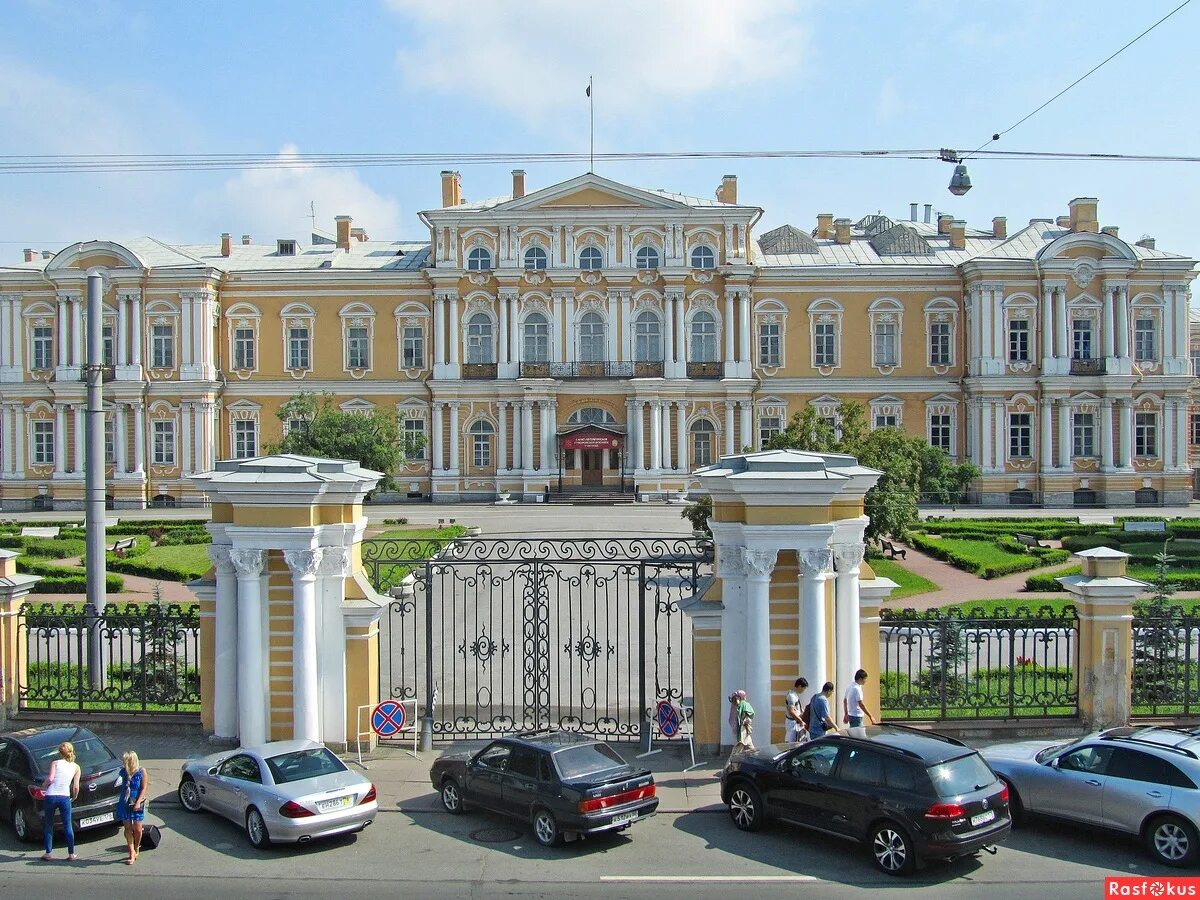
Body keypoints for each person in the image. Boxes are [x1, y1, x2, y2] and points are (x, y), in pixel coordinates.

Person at [40, 740, 80, 862]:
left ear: (60, 752)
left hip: (51, 795)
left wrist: (43, 786)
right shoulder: (76, 767)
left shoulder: (55, 763)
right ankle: (71, 854)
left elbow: (51, 778)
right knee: (67, 825)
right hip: (64, 796)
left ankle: (48, 853)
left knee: (48, 824)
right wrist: (74, 796)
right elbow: (76, 786)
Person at [117, 750, 149, 865]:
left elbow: (144, 788)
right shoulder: (123, 772)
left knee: (138, 829)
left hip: (137, 801)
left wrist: (138, 802)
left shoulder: (141, 771)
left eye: (126, 761)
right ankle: (131, 852)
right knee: (128, 829)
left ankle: (136, 847)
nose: (124, 763)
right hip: (125, 802)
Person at [727, 689, 755, 760]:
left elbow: (732, 719)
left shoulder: (735, 705)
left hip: (741, 730)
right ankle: (729, 767)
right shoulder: (744, 704)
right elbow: (751, 714)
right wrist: (746, 720)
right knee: (736, 752)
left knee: (751, 749)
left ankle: (754, 763)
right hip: (742, 731)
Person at [784, 677, 809, 743]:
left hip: (796, 722)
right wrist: (800, 721)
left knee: (799, 742)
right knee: (791, 742)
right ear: (800, 686)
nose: (804, 690)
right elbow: (791, 711)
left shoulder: (794, 694)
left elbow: (796, 708)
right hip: (792, 723)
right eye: (804, 688)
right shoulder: (791, 696)